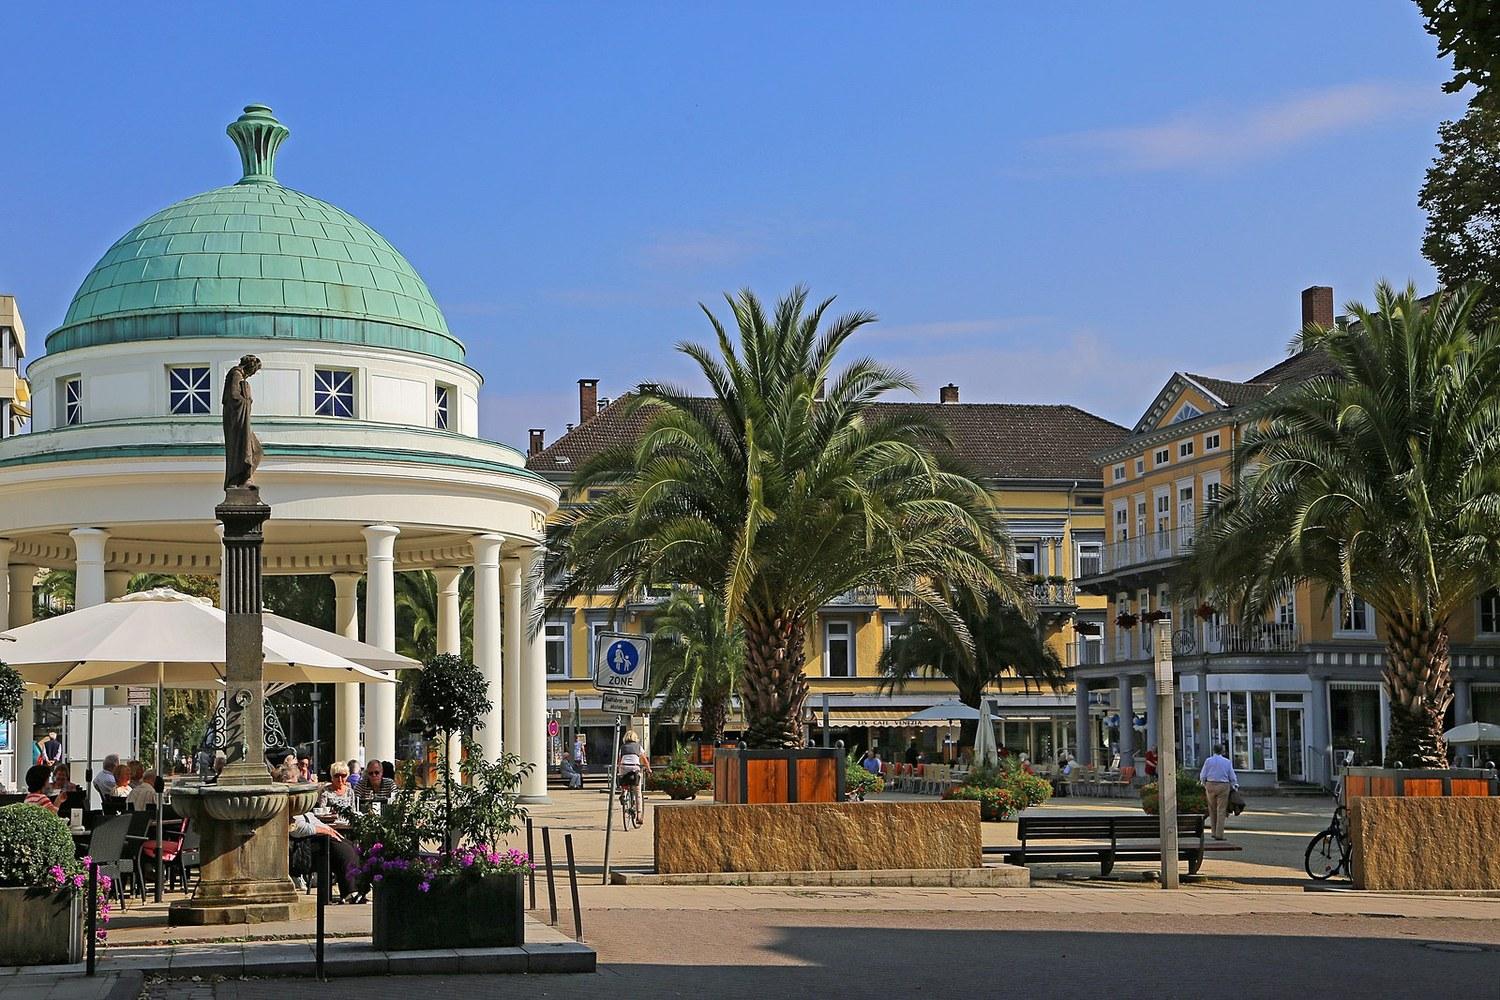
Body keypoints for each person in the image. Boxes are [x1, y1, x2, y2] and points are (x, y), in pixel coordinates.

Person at [1199, 744, 1239, 841]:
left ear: (1213, 750)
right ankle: (1219, 834)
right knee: (1221, 810)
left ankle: (1213, 832)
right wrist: (1235, 785)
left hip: (1210, 785)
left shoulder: (1208, 761)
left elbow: (1202, 775)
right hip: (1223, 786)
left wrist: (1205, 784)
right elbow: (1232, 776)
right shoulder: (1227, 762)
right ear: (1222, 751)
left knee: (1212, 808)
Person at [616, 730, 651, 817]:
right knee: (638, 792)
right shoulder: (638, 747)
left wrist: (618, 769)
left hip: (624, 767)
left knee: (624, 780)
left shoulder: (622, 747)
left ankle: (623, 793)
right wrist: (648, 769)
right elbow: (644, 759)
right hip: (634, 767)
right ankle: (639, 815)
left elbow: (619, 760)